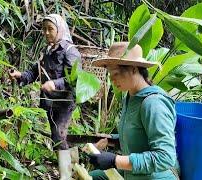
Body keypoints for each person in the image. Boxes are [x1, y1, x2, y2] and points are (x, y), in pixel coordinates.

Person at [88, 42, 179, 180]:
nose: (111, 79)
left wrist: (115, 160)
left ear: (134, 69)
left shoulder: (153, 104)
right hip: (131, 174)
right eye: (110, 74)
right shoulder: (131, 96)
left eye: (116, 73)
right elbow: (139, 135)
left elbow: (165, 157)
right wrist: (111, 140)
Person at [9, 14, 81, 179]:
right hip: (49, 101)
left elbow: (74, 78)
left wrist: (55, 84)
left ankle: (66, 175)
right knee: (57, 135)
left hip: (64, 102)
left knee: (58, 135)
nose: (47, 33)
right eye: (44, 29)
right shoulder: (47, 50)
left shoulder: (70, 51)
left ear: (59, 30)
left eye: (51, 29)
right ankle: (71, 169)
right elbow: (35, 71)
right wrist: (21, 75)